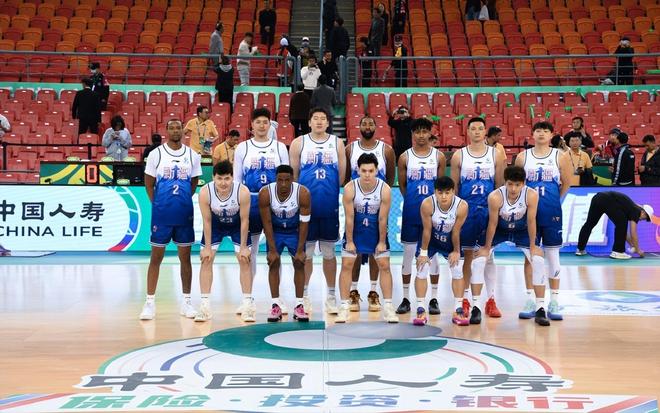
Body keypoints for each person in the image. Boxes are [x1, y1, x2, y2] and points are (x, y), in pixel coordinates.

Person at [139, 119, 202, 320]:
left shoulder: (192, 155)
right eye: (172, 128)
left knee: (186, 259)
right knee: (155, 258)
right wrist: (158, 204)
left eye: (178, 128)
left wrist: (182, 200)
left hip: (184, 213)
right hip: (162, 215)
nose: (175, 131)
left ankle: (186, 302)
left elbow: (194, 182)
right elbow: (149, 184)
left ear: (183, 131)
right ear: (166, 130)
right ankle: (149, 303)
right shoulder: (156, 154)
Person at [475, 166, 549, 326]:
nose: (513, 189)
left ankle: (540, 308)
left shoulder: (531, 195)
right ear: (504, 182)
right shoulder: (495, 197)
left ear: (523, 183)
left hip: (521, 230)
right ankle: (481, 304)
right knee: (480, 261)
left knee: (538, 261)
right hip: (500, 229)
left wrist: (533, 246)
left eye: (517, 185)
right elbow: (492, 223)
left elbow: (531, 221)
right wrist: (487, 248)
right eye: (510, 184)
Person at [289, 107, 346, 314]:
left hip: (329, 206)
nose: (319, 121)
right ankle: (304, 296)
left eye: (323, 118)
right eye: (316, 118)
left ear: (328, 123)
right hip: (306, 208)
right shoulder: (299, 143)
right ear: (309, 122)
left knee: (329, 252)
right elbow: (294, 176)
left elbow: (341, 176)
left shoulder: (337, 143)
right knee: (307, 253)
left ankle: (331, 296)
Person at [233, 108, 290, 314]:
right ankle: (247, 298)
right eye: (258, 122)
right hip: (251, 202)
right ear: (252, 125)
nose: (262, 125)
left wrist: (283, 202)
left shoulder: (280, 147)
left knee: (275, 251)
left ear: (270, 125)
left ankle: (277, 298)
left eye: (265, 122)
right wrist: (239, 205)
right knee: (250, 252)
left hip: (274, 202)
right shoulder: (243, 148)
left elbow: (286, 178)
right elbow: (237, 180)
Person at [450, 117, 506, 324]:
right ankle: (465, 299)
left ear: (485, 132)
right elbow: (454, 187)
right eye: (473, 128)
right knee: (467, 256)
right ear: (467, 131)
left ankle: (490, 299)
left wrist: (497, 211)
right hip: (467, 211)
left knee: (488, 256)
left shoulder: (495, 154)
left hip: (487, 211)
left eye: (480, 128)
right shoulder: (459, 155)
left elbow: (499, 186)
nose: (476, 132)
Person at [515, 121, 572, 322]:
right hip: (528, 212)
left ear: (551, 135)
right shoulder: (523, 157)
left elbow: (567, 183)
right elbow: (516, 184)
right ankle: (531, 299)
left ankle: (554, 301)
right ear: (532, 134)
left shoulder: (560, 156)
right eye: (538, 130)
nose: (541, 134)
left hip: (551, 211)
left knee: (553, 255)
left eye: (545, 131)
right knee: (530, 256)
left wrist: (553, 200)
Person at [336, 153, 399, 323]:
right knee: (347, 265)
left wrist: (381, 241)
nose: (367, 174)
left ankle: (388, 307)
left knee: (384, 265)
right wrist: (350, 241)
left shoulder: (384, 189)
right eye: (363, 171)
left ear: (377, 170)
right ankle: (344, 307)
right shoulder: (350, 188)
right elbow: (349, 217)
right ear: (358, 170)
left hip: (375, 231)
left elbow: (383, 218)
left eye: (371, 171)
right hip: (356, 231)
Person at [345, 115, 396, 312]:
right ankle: (353, 291)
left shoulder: (386, 149)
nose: (367, 126)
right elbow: (346, 176)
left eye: (371, 123)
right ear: (358, 126)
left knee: (378, 250)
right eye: (364, 123)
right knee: (354, 252)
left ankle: (373, 292)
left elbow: (390, 177)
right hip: (357, 205)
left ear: (376, 126)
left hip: (377, 206)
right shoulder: (350, 149)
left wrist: (379, 193)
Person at [397, 117, 447, 316]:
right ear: (412, 134)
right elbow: (403, 186)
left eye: (424, 131)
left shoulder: (439, 157)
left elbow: (441, 187)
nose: (421, 135)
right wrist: (413, 200)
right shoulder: (405, 157)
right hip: (411, 212)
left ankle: (433, 298)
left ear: (430, 133)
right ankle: (406, 298)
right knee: (408, 255)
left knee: (432, 256)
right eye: (417, 131)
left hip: (434, 214)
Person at [195, 161, 251, 322]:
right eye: (219, 178)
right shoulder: (205, 192)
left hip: (237, 225)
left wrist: (243, 247)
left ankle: (247, 304)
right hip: (215, 225)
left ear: (232, 178)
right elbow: (206, 221)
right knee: (206, 259)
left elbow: (245, 220)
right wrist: (206, 248)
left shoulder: (242, 191)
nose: (223, 183)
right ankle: (205, 306)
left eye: (227, 178)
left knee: (244, 259)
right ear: (213, 177)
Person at [259, 165, 312, 322]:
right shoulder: (265, 193)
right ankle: (275, 305)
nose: (283, 184)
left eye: (287, 180)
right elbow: (267, 222)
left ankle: (299, 305)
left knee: (299, 263)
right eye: (280, 180)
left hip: (294, 231)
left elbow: (304, 223)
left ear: (292, 179)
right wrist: (272, 250)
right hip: (275, 232)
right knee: (273, 262)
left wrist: (301, 250)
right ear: (275, 179)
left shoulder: (302, 193)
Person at [416, 176, 469, 326]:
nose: (444, 196)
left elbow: (456, 231)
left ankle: (458, 309)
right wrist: (424, 253)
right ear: (435, 192)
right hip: (431, 239)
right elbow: (427, 230)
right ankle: (420, 309)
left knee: (457, 269)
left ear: (453, 191)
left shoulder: (462, 206)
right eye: (440, 193)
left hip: (450, 239)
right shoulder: (427, 204)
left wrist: (456, 251)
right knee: (422, 268)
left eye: (447, 192)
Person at [576, 192, 654, 259]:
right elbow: (633, 233)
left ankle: (580, 249)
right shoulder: (636, 211)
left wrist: (632, 245)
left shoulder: (631, 207)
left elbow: (623, 232)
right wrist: (638, 250)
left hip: (597, 198)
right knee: (622, 222)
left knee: (589, 224)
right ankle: (618, 251)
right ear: (643, 212)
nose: (642, 220)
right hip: (607, 200)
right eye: (645, 218)